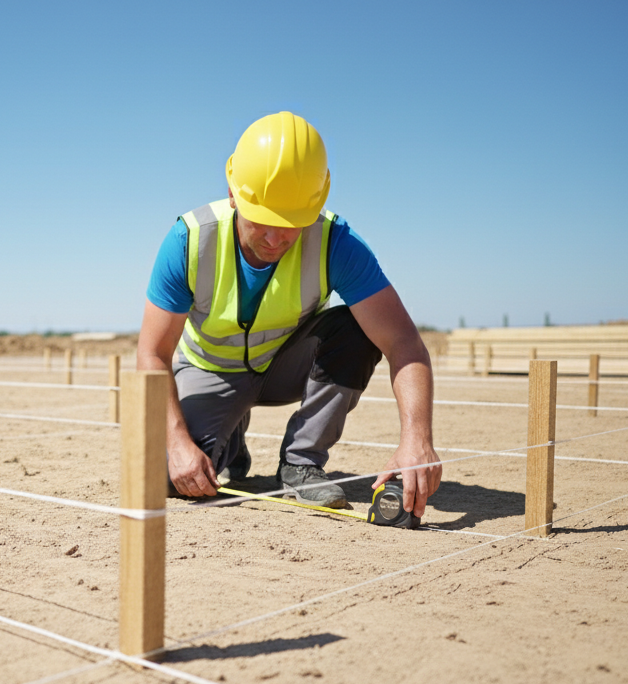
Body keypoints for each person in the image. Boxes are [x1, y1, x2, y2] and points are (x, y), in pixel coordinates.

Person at [136, 111, 441, 517]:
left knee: (359, 329)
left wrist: (417, 439)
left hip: (287, 367)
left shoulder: (338, 242)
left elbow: (404, 344)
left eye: (293, 222)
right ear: (233, 192)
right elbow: (152, 355)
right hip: (210, 371)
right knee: (169, 479)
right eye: (262, 221)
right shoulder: (189, 241)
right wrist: (177, 443)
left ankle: (301, 464)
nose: (276, 238)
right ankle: (229, 437)